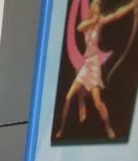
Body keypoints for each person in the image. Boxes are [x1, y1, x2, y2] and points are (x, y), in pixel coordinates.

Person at [55, 0, 138, 139]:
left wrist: (131, 6)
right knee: (68, 97)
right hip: (86, 65)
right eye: (95, 6)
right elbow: (80, 28)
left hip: (93, 66)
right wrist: (94, 20)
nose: (97, 8)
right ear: (92, 9)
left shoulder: (100, 21)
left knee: (98, 103)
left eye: (98, 6)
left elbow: (116, 15)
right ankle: (61, 129)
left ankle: (108, 127)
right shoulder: (88, 23)